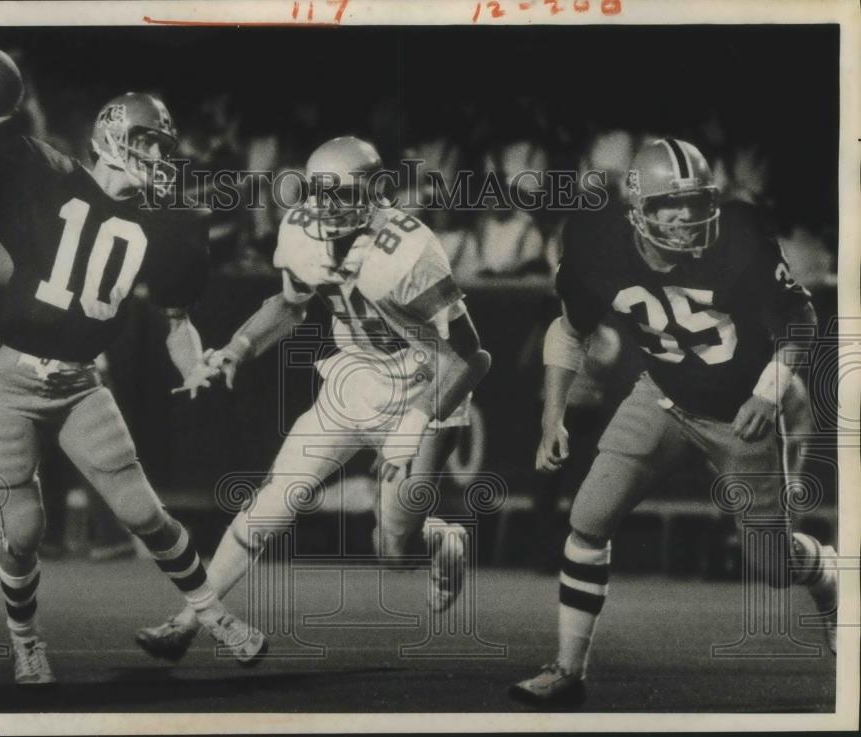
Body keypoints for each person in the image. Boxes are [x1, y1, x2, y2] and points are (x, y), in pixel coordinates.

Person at [0, 90, 265, 684]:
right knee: (24, 531)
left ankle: (212, 613)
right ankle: (25, 639)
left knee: (147, 514)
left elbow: (177, 323)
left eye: (160, 145)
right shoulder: (45, 170)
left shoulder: (170, 224)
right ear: (109, 134)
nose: (154, 155)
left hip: (81, 381)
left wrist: (193, 365)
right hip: (8, 374)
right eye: (144, 141)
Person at [509, 138, 838, 708]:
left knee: (775, 568)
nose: (688, 218)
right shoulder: (597, 241)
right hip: (661, 396)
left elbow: (801, 319)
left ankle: (831, 574)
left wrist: (768, 391)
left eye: (696, 201)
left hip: (741, 411)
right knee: (588, 518)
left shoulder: (739, 238)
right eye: (671, 205)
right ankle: (568, 669)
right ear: (638, 209)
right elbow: (569, 329)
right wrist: (552, 413)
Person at [136, 136, 492, 659]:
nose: (329, 206)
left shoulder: (413, 249)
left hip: (428, 386)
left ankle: (442, 539)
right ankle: (190, 620)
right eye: (320, 192)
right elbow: (290, 304)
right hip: (354, 382)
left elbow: (471, 357)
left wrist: (414, 425)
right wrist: (239, 345)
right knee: (272, 502)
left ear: (377, 191)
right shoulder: (301, 228)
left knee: (393, 548)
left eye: (344, 193)